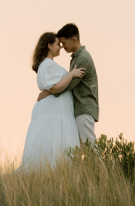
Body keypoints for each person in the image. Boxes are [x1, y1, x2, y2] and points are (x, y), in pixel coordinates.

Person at [19, 32, 86, 169]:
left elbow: (54, 87)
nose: (60, 47)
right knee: (53, 141)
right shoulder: (48, 64)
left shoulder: (49, 64)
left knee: (56, 142)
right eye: (57, 44)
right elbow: (55, 87)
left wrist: (49, 91)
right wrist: (72, 74)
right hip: (55, 110)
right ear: (49, 46)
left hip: (58, 110)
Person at [37, 23, 98, 143]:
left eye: (64, 43)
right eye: (60, 43)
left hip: (84, 107)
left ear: (74, 40)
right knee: (83, 148)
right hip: (79, 108)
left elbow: (69, 85)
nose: (62, 46)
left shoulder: (82, 59)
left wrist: (49, 92)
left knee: (90, 147)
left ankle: (100, 163)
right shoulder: (76, 58)